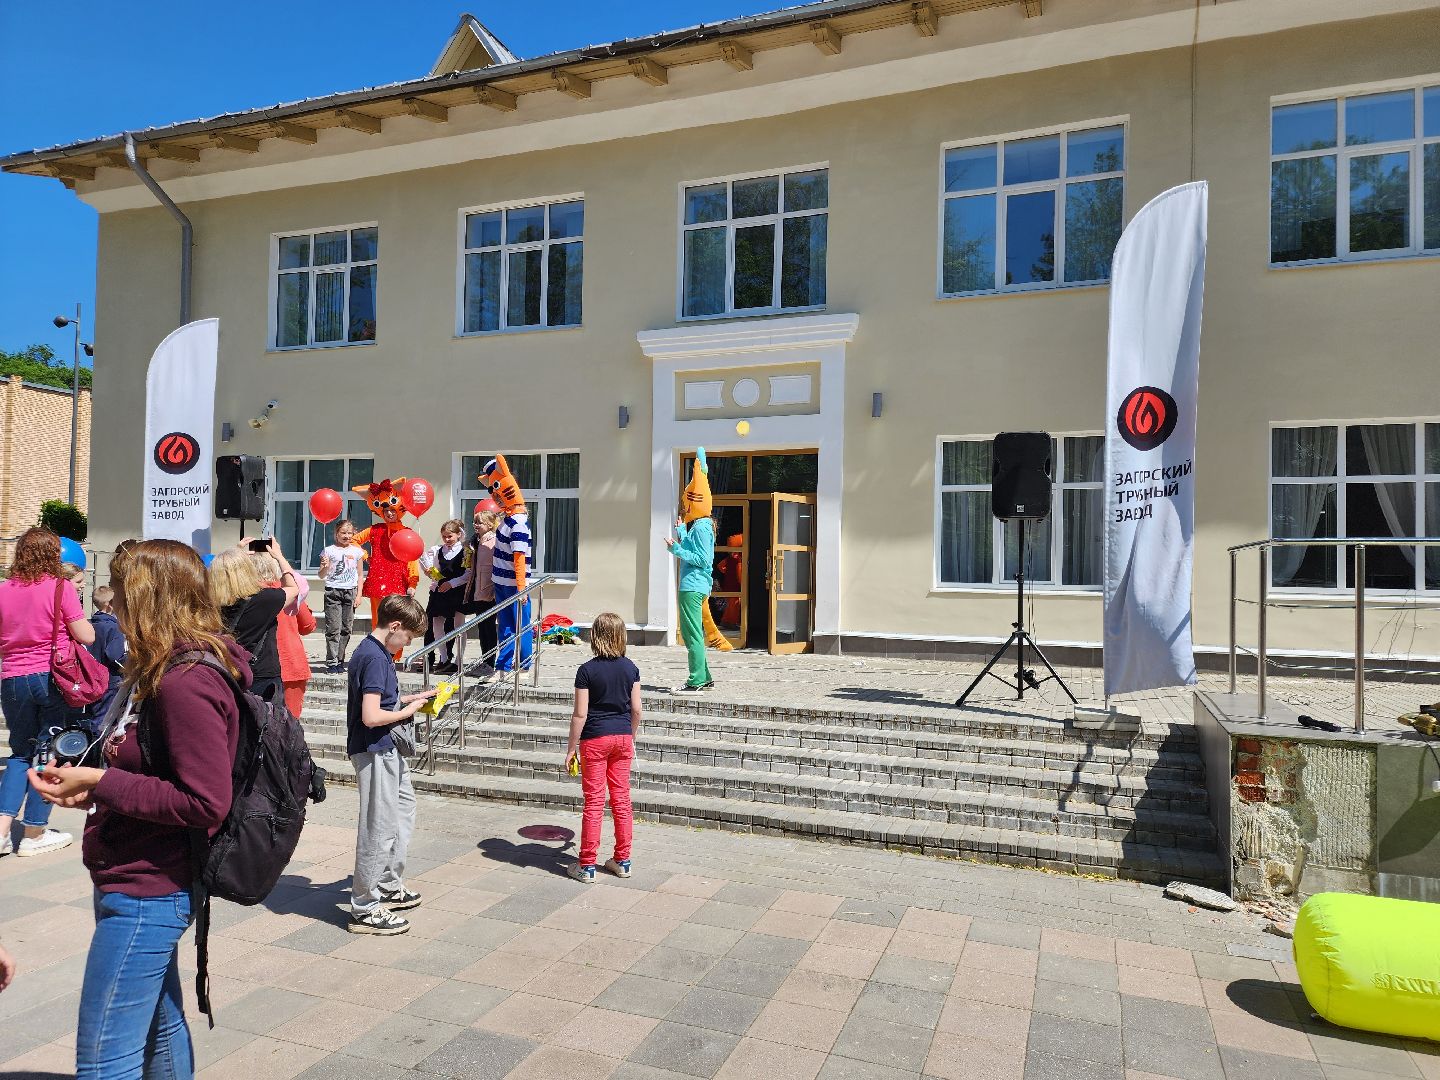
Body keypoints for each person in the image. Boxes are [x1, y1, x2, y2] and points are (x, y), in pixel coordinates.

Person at [27, 539, 247, 1078]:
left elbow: (204, 801)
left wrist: (103, 783)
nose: (111, 605)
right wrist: (94, 788)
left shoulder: (185, 681)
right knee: (160, 1026)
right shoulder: (160, 668)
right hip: (138, 873)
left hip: (150, 886)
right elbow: (153, 774)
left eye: (121, 592)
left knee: (105, 1057)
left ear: (149, 598)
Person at [0, 526, 96, 857]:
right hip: (50, 678)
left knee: (19, 752)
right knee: (48, 752)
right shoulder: (59, 588)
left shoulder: (3, 590)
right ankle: (34, 834)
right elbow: (87, 636)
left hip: (12, 678)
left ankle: (1, 832)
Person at [347, 593, 435, 935]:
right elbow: (370, 716)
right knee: (379, 825)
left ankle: (386, 883)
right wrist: (407, 712)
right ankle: (365, 906)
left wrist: (410, 699)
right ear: (394, 626)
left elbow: (379, 701)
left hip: (384, 749)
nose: (407, 644)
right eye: (408, 638)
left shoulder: (376, 653)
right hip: (374, 748)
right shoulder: (374, 657)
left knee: (401, 814)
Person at [564, 612, 642, 884]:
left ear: (595, 637)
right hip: (622, 737)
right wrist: (629, 737)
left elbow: (579, 715)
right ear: (622, 636)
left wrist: (571, 748)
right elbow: (636, 710)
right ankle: (622, 860)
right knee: (621, 800)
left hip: (595, 739)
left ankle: (586, 865)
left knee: (594, 801)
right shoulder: (631, 668)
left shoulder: (586, 671)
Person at [208, 540, 298, 702]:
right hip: (260, 674)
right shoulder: (264, 599)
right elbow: (293, 589)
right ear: (246, 571)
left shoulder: (208, 603)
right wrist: (279, 557)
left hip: (223, 672)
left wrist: (235, 553)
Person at [665, 447, 718, 693]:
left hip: (693, 585)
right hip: (694, 584)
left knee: (692, 634)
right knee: (693, 633)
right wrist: (682, 533)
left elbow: (702, 558)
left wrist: (677, 550)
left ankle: (696, 679)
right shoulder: (700, 527)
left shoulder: (702, 527)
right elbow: (695, 549)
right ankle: (704, 676)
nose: (685, 504)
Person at [476, 456, 533, 673]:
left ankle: (525, 665)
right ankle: (504, 664)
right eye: (493, 492)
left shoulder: (518, 524)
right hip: (501, 582)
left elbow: (519, 558)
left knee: (521, 625)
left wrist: (521, 588)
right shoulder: (506, 521)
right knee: (506, 627)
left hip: (513, 585)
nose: (496, 497)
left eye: (498, 490)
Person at [253, 552, 316, 717]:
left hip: (258, 666)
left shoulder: (245, 593)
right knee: (289, 727)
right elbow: (308, 626)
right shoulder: (288, 591)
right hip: (290, 664)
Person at [421, 519, 470, 674]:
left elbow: (468, 574)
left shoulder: (465, 551)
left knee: (459, 626)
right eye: (444, 537)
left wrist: (452, 583)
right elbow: (435, 570)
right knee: (436, 622)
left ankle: (459, 660)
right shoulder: (438, 550)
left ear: (458, 535)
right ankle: (444, 658)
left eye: (450, 536)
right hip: (441, 591)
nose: (447, 539)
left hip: (458, 592)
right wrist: (433, 577)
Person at [319, 519, 363, 672]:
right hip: (333, 591)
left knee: (346, 628)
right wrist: (324, 566)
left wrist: (359, 595)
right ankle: (331, 662)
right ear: (336, 533)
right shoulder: (329, 550)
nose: (346, 536)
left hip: (350, 592)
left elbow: (359, 575)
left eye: (349, 533)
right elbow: (321, 575)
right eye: (343, 532)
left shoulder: (357, 552)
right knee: (333, 628)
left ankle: (340, 661)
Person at [460, 506, 501, 669]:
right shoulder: (475, 541)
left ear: (490, 525)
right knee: (482, 628)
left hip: (489, 591)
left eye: (480, 523)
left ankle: (490, 662)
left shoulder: (495, 541)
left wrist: (493, 589)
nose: (476, 525)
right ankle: (486, 660)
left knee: (489, 628)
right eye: (475, 522)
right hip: (477, 590)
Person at [85, 585, 127, 730]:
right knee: (104, 720)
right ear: (110, 604)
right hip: (109, 681)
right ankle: (97, 750)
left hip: (90, 679)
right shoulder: (114, 628)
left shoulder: (89, 624)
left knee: (92, 716)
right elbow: (115, 656)